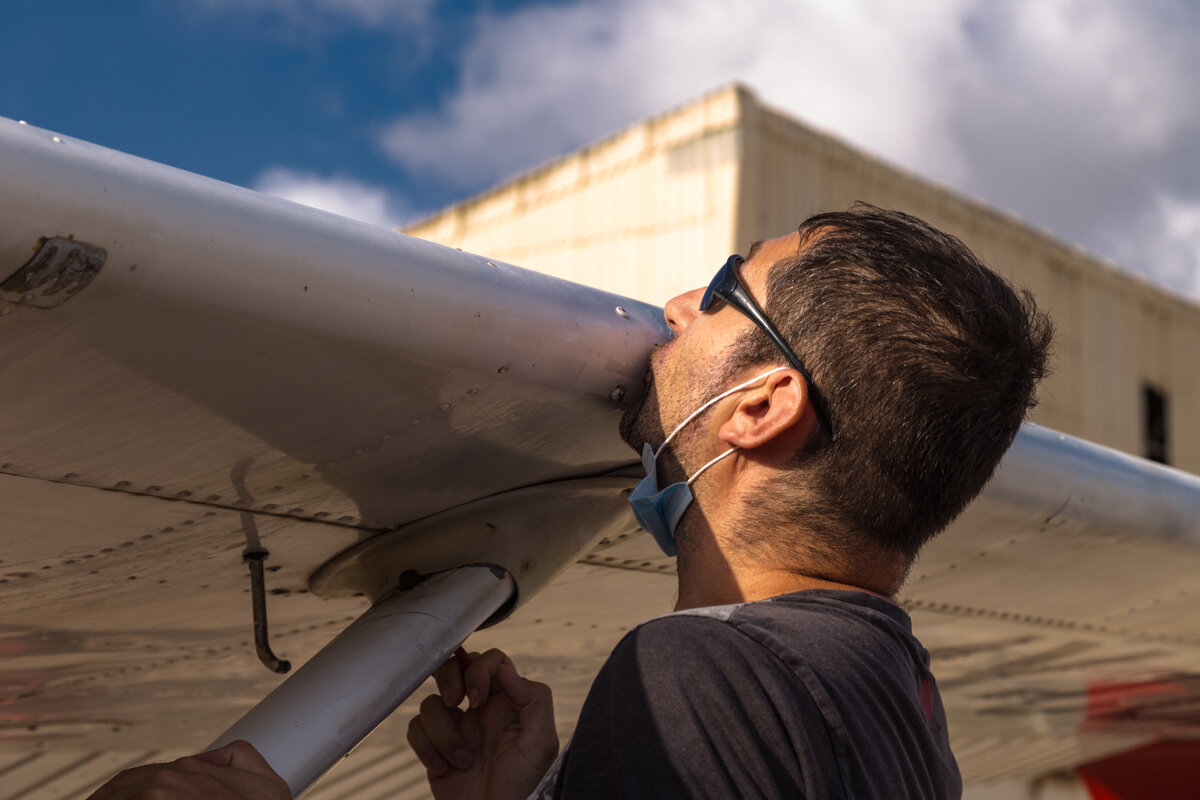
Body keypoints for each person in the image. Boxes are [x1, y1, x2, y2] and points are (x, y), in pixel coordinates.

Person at [89, 206, 1051, 799]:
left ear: (761, 406)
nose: (677, 305)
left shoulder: (702, 668)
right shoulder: (894, 683)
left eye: (724, 292)